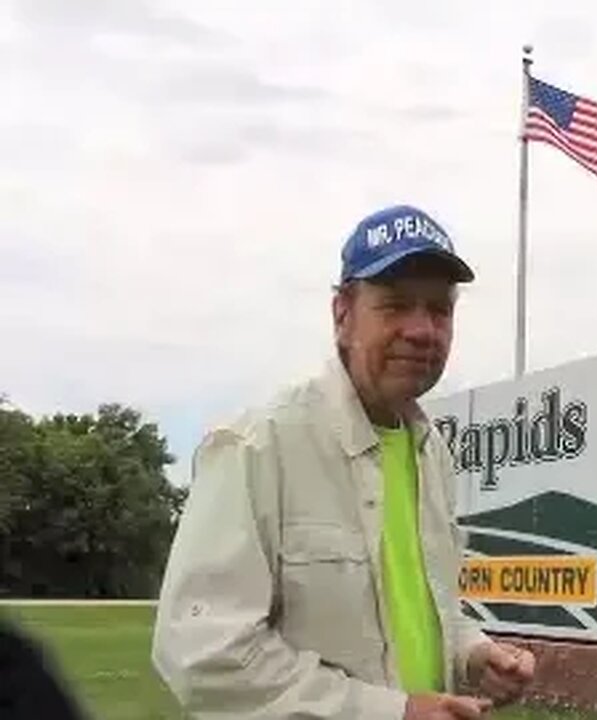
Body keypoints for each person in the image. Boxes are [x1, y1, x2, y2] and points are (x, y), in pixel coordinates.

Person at [152, 204, 536, 720]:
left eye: (439, 310)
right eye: (396, 305)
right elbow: (203, 652)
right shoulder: (257, 445)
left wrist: (472, 653)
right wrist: (391, 711)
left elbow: (423, 611)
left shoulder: (432, 452)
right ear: (342, 315)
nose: (422, 330)